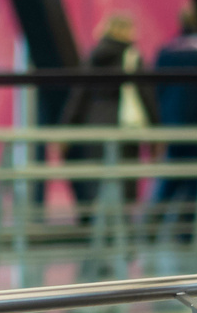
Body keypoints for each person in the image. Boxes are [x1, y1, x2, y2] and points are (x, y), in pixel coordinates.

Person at [148, 7, 197, 236]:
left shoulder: (166, 50)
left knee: (172, 177)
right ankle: (186, 233)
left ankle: (150, 228)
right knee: (195, 182)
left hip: (173, 124)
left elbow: (158, 92)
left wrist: (161, 125)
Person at [60, 13, 145, 222]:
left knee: (97, 181)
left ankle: (96, 232)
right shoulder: (133, 58)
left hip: (94, 125)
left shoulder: (93, 57)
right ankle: (120, 234)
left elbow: (79, 96)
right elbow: (146, 96)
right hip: (125, 127)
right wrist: (156, 131)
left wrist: (66, 128)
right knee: (123, 182)